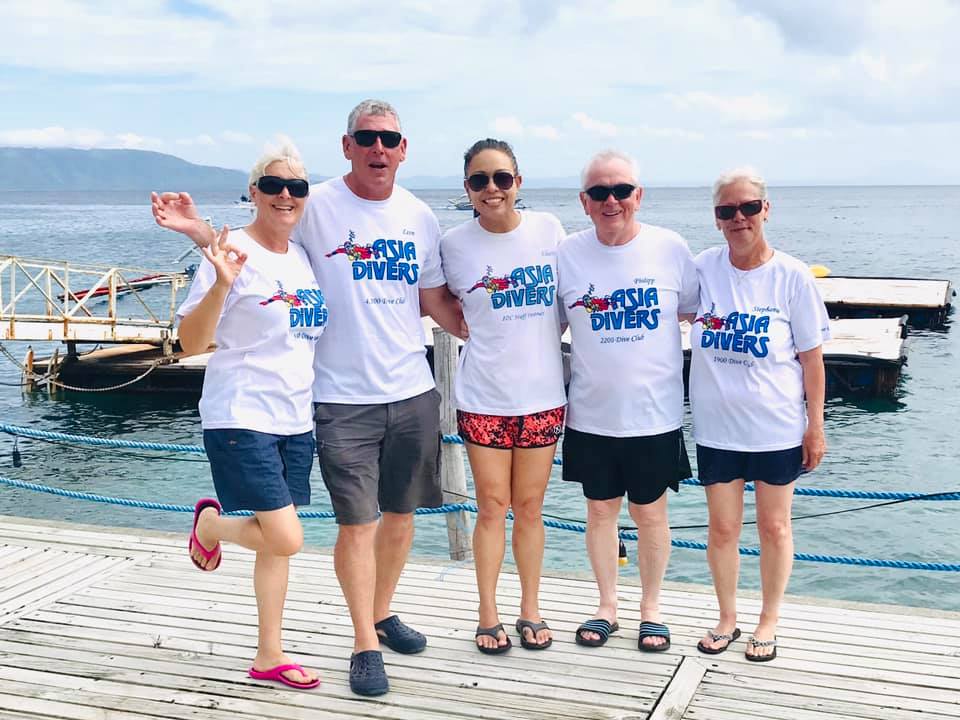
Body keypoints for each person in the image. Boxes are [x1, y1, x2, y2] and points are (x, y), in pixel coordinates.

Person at [152, 100, 463, 697]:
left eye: (389, 139)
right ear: (347, 146)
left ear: (404, 148)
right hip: (303, 406)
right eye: (365, 138)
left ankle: (308, 640)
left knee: (389, 520)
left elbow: (430, 295)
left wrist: (495, 327)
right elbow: (227, 275)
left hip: (356, 402)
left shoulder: (401, 221)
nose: (287, 195)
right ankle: (359, 640)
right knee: (324, 531)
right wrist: (202, 241)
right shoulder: (317, 205)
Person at [167, 140, 327, 690]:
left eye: (297, 187)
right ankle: (209, 525)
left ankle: (268, 655)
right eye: (274, 185)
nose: (286, 195)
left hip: (295, 418)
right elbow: (190, 342)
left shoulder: (301, 256)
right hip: (241, 415)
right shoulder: (231, 249)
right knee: (286, 537)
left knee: (274, 541)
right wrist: (222, 284)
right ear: (254, 192)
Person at [556, 150, 698, 652]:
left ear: (638, 195)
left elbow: (695, 312)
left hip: (654, 415)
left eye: (621, 191)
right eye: (599, 192)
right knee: (600, 513)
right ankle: (607, 606)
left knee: (651, 515)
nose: (610, 201)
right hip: (590, 415)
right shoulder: (566, 254)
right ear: (584, 201)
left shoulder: (670, 248)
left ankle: (651, 609)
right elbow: (544, 325)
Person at [690, 167, 828, 662]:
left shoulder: (792, 276)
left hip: (777, 428)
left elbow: (812, 360)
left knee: (774, 527)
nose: (739, 218)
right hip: (717, 429)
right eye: (727, 210)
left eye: (749, 207)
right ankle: (727, 617)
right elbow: (665, 308)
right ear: (716, 218)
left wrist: (816, 427)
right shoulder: (703, 269)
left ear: (766, 210)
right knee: (723, 529)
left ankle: (768, 619)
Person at [439, 139, 566, 654]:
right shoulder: (454, 244)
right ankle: (487, 612)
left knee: (530, 507)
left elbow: (569, 300)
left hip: (542, 395)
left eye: (501, 178)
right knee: (492, 506)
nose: (491, 189)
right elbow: (433, 297)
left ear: (518, 182)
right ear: (467, 188)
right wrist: (462, 328)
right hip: (484, 396)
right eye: (479, 180)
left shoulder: (549, 230)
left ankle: (530, 608)